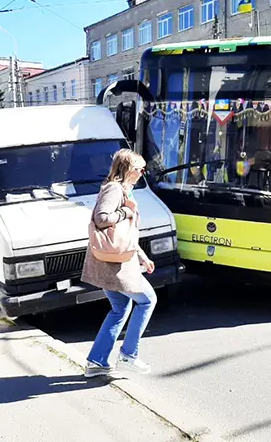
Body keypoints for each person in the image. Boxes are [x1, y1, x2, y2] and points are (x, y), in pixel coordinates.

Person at [81, 148, 157, 378]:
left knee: (120, 308)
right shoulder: (114, 189)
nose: (142, 173)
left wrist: (143, 257)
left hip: (114, 261)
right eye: (138, 169)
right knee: (147, 300)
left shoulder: (124, 191)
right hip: (115, 266)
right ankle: (128, 356)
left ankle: (96, 361)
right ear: (126, 169)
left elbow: (125, 234)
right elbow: (101, 218)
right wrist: (125, 212)